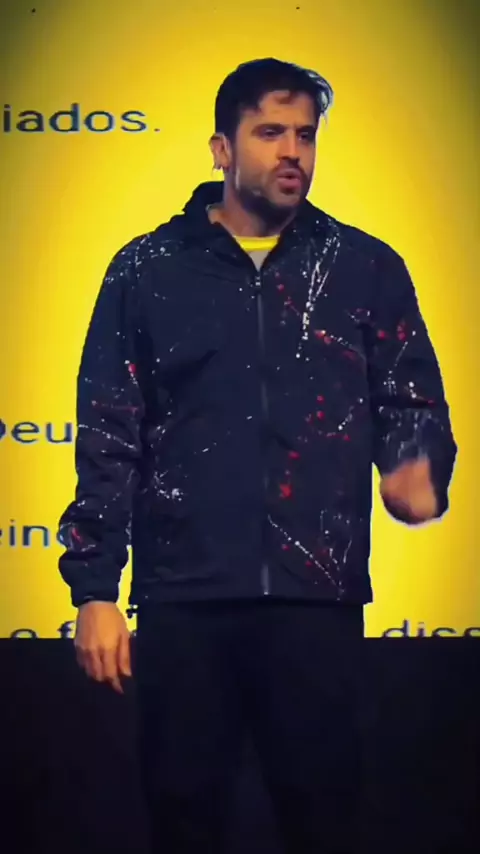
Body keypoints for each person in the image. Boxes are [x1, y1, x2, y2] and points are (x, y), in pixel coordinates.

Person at [57, 58, 457, 853]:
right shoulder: (147, 269)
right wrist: (95, 589)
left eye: (305, 135)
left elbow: (411, 396)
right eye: (270, 132)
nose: (292, 152)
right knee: (185, 822)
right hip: (184, 601)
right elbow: (108, 428)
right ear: (222, 148)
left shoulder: (364, 267)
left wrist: (415, 462)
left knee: (326, 822)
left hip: (316, 602)